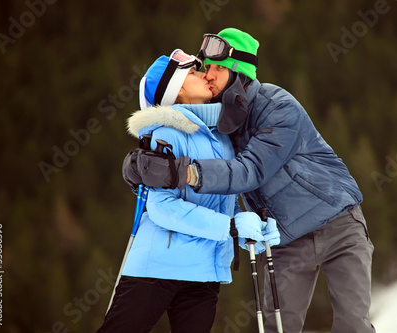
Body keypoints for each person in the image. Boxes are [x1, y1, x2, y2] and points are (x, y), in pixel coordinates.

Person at [124, 29, 376, 332]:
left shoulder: (277, 106)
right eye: (207, 68)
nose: (208, 75)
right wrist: (137, 165)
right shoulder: (217, 123)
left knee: (353, 325)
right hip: (286, 240)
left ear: (239, 73)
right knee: (279, 327)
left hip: (338, 224)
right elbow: (176, 139)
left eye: (219, 68)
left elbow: (250, 170)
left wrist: (186, 173)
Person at [98, 49, 280, 333]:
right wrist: (230, 227)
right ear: (178, 89)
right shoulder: (165, 134)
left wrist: (248, 229)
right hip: (158, 268)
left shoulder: (221, 137)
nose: (207, 75)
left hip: (206, 271)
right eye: (195, 73)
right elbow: (162, 207)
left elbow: (223, 198)